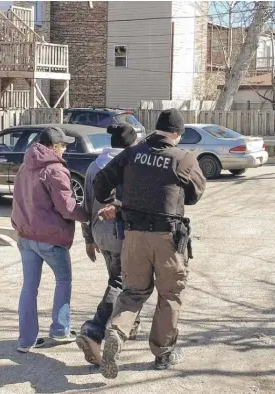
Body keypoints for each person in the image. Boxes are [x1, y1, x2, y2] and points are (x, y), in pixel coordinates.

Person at [93, 108, 206, 378]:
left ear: (155, 129)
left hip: (133, 236)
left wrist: (116, 203)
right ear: (177, 134)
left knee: (133, 292)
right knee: (169, 295)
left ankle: (116, 333)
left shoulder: (130, 154)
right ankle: (163, 353)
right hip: (168, 239)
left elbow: (100, 185)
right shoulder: (184, 158)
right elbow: (195, 195)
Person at [11, 126, 88, 353]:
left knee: (29, 288)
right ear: (54, 146)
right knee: (63, 281)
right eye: (63, 145)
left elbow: (16, 200)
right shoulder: (55, 170)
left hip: (25, 236)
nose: (64, 149)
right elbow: (67, 207)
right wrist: (88, 216)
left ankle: (26, 340)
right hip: (51, 238)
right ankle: (60, 330)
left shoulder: (24, 167)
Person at [77, 123, 141, 366]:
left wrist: (88, 239)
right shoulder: (129, 166)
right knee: (121, 283)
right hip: (120, 234)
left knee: (122, 281)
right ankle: (94, 330)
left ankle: (132, 325)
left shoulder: (95, 166)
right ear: (132, 144)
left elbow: (86, 205)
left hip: (100, 233)